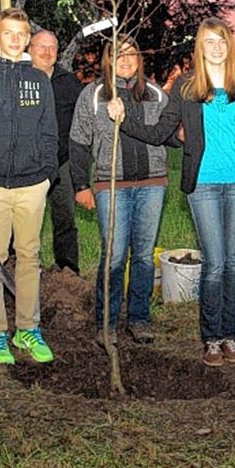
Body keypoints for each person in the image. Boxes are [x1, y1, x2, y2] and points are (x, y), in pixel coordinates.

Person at [107, 17, 235, 367]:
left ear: (229, 45)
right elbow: (160, 131)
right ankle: (211, 339)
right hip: (203, 183)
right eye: (209, 41)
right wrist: (124, 119)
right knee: (215, 263)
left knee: (233, 263)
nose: (216, 47)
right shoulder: (186, 85)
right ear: (200, 48)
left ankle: (230, 336)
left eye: (221, 40)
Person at [0, 7, 58, 365]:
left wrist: (47, 173)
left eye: (21, 34)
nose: (15, 39)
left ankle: (28, 329)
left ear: (28, 38)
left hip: (33, 183)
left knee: (30, 256)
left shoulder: (38, 79)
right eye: (8, 33)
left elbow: (49, 130)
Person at [70, 36, 171, 345]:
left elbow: (167, 133)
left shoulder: (155, 93)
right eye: (118, 54)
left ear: (139, 59)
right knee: (114, 256)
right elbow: (78, 140)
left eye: (131, 54)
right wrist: (81, 185)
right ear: (108, 60)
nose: (125, 60)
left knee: (143, 256)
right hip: (110, 184)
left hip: (152, 183)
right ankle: (107, 321)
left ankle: (139, 319)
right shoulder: (94, 94)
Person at [29, 28, 84, 273]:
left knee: (65, 219)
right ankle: (22, 267)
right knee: (25, 220)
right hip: (28, 163)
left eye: (52, 47)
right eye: (41, 46)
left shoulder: (69, 82)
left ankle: (67, 271)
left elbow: (82, 121)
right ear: (30, 49)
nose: (47, 52)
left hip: (62, 163)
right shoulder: (20, 80)